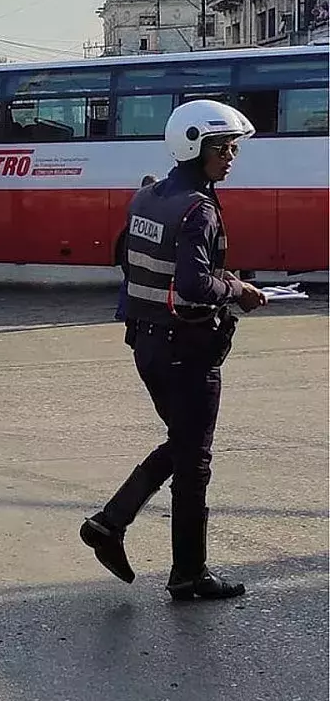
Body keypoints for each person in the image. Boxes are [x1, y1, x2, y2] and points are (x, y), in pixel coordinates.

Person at [80, 99, 265, 602]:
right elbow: (192, 282)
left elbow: (138, 267)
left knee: (183, 446)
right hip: (188, 351)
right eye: (224, 148)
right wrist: (237, 290)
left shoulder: (146, 198)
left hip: (147, 344)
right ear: (197, 148)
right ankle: (185, 572)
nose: (232, 157)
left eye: (232, 148)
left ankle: (112, 525)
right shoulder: (198, 207)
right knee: (194, 457)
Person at [114, 174, 161, 322]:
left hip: (132, 251)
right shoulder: (153, 204)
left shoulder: (136, 202)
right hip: (142, 251)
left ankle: (123, 312)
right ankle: (127, 313)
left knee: (130, 282)